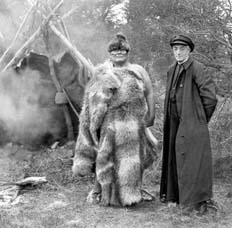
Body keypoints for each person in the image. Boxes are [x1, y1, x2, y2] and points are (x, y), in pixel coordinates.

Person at [87, 32, 155, 203]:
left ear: (127, 52)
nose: (118, 53)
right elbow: (93, 97)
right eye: (114, 51)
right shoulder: (103, 72)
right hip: (110, 121)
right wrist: (94, 120)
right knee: (104, 156)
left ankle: (133, 192)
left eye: (122, 51)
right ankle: (99, 192)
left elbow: (149, 92)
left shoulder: (138, 70)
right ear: (109, 53)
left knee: (133, 159)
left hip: (133, 122)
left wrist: (151, 115)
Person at [160, 34, 218, 214]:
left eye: (182, 49)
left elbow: (210, 98)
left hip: (191, 122)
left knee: (193, 160)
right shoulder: (172, 69)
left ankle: (195, 201)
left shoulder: (198, 68)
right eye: (175, 49)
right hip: (174, 121)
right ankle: (174, 196)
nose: (178, 52)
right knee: (174, 157)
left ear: (189, 50)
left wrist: (198, 119)